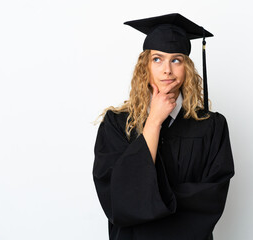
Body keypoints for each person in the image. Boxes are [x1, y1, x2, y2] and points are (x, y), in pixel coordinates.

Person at [93, 13, 235, 240]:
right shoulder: (117, 124)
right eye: (157, 59)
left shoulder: (211, 126)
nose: (167, 70)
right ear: (145, 66)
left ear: (186, 67)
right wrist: (154, 121)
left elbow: (211, 198)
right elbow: (116, 199)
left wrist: (150, 198)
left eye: (176, 60)